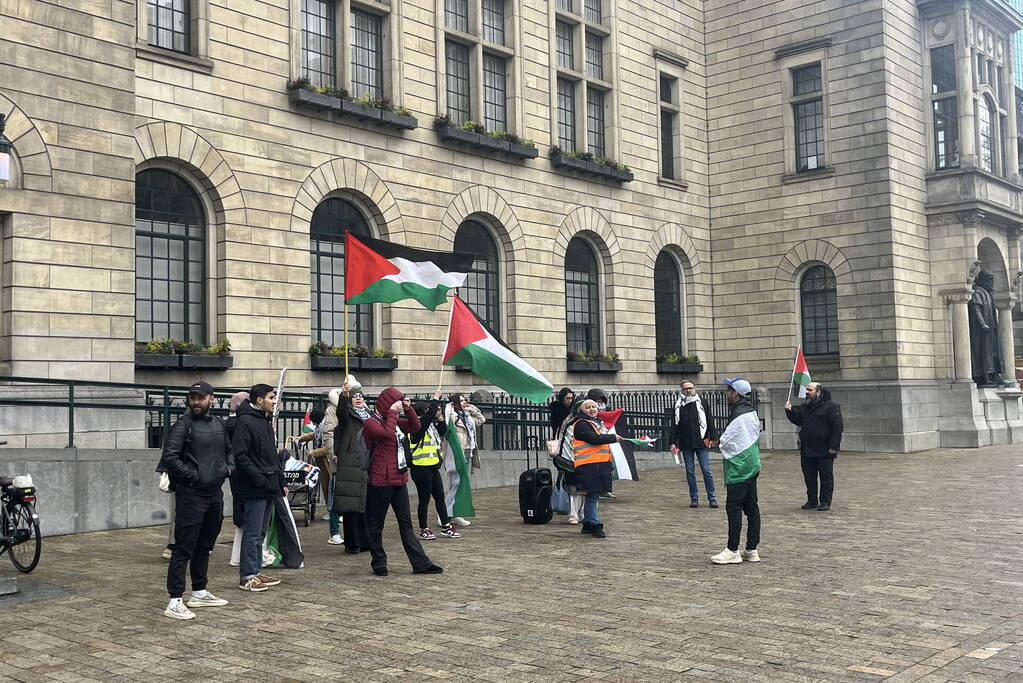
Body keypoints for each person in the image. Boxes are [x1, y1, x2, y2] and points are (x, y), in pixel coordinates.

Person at [158, 381, 233, 620]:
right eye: (192, 398)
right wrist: (194, 476)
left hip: (214, 494)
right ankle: (175, 600)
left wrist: (228, 469)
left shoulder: (219, 423)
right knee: (183, 547)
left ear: (212, 398)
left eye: (201, 397)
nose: (196, 402)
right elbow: (170, 457)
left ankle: (199, 591)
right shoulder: (183, 425)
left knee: (205, 544)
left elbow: (229, 451)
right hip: (191, 494)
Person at [363, 386, 443, 576]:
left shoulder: (394, 420)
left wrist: (409, 409)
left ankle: (420, 563)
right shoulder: (370, 422)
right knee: (376, 523)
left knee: (406, 523)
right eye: (396, 402)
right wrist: (393, 412)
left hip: (399, 479)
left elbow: (415, 427)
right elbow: (386, 434)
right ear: (386, 404)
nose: (398, 405)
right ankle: (379, 562)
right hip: (380, 480)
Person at [232, 383, 285, 592]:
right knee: (252, 532)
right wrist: (259, 479)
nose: (275, 401)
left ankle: (255, 570)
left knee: (261, 532)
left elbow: (271, 454)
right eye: (271, 397)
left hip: (268, 484)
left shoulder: (264, 420)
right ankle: (247, 575)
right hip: (255, 487)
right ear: (259, 400)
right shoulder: (245, 421)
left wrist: (280, 482)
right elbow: (241, 456)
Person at [711, 378, 762, 565]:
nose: (727, 394)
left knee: (734, 507)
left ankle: (733, 550)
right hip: (752, 464)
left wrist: (716, 443)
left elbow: (728, 439)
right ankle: (751, 549)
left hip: (740, 467)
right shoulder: (751, 411)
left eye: (729, 390)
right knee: (752, 508)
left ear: (736, 393)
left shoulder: (739, 413)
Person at [408, 391, 461, 540]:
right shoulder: (416, 426)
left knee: (439, 497)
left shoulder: (429, 427)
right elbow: (428, 417)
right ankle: (424, 529)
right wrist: (436, 398)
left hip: (432, 466)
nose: (430, 413)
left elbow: (442, 430)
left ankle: (445, 526)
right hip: (420, 467)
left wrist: (440, 418)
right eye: (427, 411)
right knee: (424, 500)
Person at [784, 382, 843, 512]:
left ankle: (825, 501)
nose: (806, 392)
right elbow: (798, 420)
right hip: (807, 448)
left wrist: (834, 446)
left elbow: (837, 427)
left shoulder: (831, 406)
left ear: (818, 392)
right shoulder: (805, 406)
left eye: (810, 390)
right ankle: (812, 500)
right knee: (809, 476)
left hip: (825, 449)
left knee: (826, 477)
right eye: (806, 390)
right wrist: (789, 411)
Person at [332, 377, 372, 554]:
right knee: (350, 506)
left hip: (366, 464)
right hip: (351, 466)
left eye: (360, 396)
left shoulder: (369, 415)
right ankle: (352, 543)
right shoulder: (347, 416)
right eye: (355, 396)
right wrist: (344, 395)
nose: (358, 398)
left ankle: (365, 541)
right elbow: (341, 413)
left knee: (364, 505)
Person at [572, 399, 622, 538]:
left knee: (592, 496)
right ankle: (595, 524)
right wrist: (613, 437)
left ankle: (588, 524)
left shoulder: (595, 423)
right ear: (582, 411)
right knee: (592, 496)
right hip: (589, 465)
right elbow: (594, 439)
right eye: (588, 407)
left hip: (598, 465)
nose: (592, 409)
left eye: (594, 406)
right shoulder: (582, 424)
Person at [670, 381, 719, 508]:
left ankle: (712, 497)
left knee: (706, 470)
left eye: (690, 388)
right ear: (682, 391)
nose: (688, 390)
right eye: (685, 389)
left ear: (694, 389)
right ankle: (694, 497)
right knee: (690, 471)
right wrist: (672, 442)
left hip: (701, 441)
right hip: (686, 442)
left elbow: (709, 420)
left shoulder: (702, 402)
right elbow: (674, 426)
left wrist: (713, 437)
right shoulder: (678, 405)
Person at [303, 403, 341, 544]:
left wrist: (314, 451)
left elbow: (328, 447)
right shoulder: (321, 426)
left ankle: (336, 513)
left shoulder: (327, 426)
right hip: (322, 462)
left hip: (328, 462)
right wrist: (301, 438)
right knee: (325, 486)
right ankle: (331, 512)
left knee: (331, 487)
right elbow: (314, 435)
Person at [446, 393, 485, 526]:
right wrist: (450, 407)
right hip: (458, 453)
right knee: (456, 483)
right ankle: (445, 514)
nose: (464, 402)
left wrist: (471, 408)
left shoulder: (467, 417)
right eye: (461, 400)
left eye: (465, 400)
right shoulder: (453, 416)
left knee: (462, 484)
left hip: (469, 452)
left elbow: (481, 419)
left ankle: (456, 513)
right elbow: (446, 418)